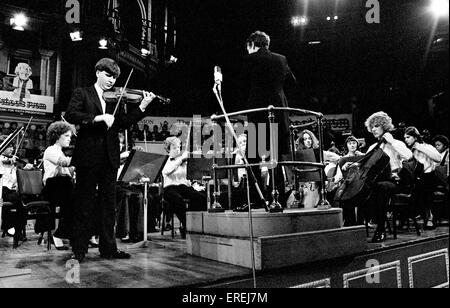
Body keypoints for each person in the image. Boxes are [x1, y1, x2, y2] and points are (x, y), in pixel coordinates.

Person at [65, 58, 156, 262]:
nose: (111, 81)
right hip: (88, 157)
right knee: (84, 204)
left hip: (109, 158)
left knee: (108, 206)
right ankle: (79, 249)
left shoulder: (116, 99)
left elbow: (123, 123)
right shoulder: (83, 93)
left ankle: (109, 248)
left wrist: (142, 106)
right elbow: (71, 114)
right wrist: (97, 118)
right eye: (107, 75)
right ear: (97, 72)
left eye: (114, 77)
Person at [239, 30, 297, 207]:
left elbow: (241, 83)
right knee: (276, 158)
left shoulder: (251, 58)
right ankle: (276, 199)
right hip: (278, 113)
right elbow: (292, 82)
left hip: (259, 113)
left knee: (253, 157)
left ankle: (256, 200)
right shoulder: (281, 59)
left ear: (252, 44)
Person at [364, 112, 412, 242]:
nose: (373, 129)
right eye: (372, 127)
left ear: (384, 127)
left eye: (376, 126)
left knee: (379, 188)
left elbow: (408, 156)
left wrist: (391, 141)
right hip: (377, 182)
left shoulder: (396, 143)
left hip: (395, 182)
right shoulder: (373, 147)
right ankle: (354, 227)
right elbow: (364, 165)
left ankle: (381, 229)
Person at [161, 137, 206, 239]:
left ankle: (193, 224)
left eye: (179, 147)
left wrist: (194, 185)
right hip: (170, 188)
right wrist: (180, 160)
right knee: (178, 200)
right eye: (174, 147)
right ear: (168, 149)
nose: (177, 149)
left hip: (183, 187)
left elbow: (188, 178)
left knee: (201, 197)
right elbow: (166, 171)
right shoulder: (166, 160)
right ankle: (187, 225)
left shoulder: (183, 161)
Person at [403, 127, 442, 229]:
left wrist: (420, 148)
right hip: (415, 178)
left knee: (423, 185)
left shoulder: (426, 146)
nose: (406, 140)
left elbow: (438, 158)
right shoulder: (408, 150)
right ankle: (406, 216)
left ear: (415, 137)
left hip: (429, 176)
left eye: (408, 137)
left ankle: (429, 217)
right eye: (405, 137)